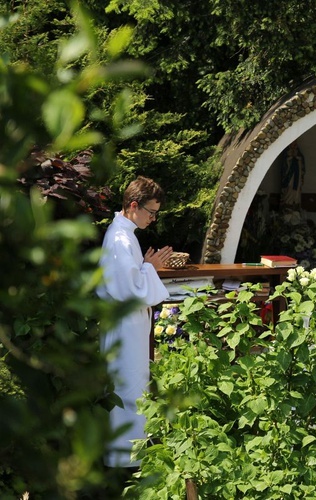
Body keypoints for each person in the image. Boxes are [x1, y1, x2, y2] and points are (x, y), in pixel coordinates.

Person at [97, 176, 173, 468]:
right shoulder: (119, 238)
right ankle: (123, 463)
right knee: (126, 388)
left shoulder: (125, 234)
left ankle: (130, 457)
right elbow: (129, 290)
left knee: (133, 386)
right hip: (123, 328)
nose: (153, 219)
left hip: (129, 327)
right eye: (151, 212)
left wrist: (146, 268)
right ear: (133, 205)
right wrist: (151, 269)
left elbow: (128, 280)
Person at [281, 141, 306, 207]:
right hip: (289, 175)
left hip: (296, 174)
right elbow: (284, 164)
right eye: (292, 144)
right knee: (289, 186)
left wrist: (297, 157)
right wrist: (290, 157)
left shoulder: (299, 153)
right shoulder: (286, 153)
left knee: (296, 188)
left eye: (295, 144)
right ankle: (287, 202)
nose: (294, 146)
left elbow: (302, 163)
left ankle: (295, 202)